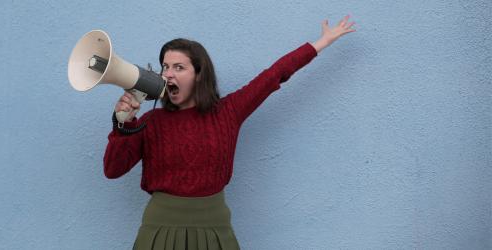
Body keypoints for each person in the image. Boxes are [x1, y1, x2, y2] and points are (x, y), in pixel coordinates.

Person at [104, 15, 356, 250]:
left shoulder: (228, 112)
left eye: (179, 67)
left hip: (214, 227)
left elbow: (273, 75)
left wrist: (322, 42)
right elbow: (113, 170)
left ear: (199, 74)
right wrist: (123, 124)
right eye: (165, 67)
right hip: (159, 228)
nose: (168, 73)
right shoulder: (150, 121)